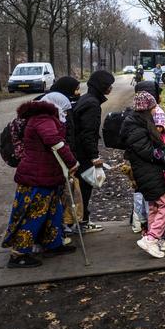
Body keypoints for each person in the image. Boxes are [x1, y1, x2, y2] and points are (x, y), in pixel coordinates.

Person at [2, 95, 79, 268]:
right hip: (37, 177)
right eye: (64, 109)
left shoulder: (39, 118)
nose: (66, 113)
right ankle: (19, 254)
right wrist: (72, 162)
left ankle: (52, 244)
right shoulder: (44, 120)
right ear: (57, 106)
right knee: (33, 214)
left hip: (46, 175)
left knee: (53, 212)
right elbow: (55, 141)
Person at [122, 91, 165, 258]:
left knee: (155, 205)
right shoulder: (136, 127)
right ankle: (151, 238)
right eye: (154, 107)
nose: (156, 110)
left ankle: (156, 237)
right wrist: (164, 156)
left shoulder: (141, 123)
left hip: (149, 171)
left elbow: (156, 144)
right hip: (147, 172)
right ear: (146, 109)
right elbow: (147, 151)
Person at [72, 70, 114, 233]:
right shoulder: (92, 104)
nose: (110, 89)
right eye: (109, 85)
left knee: (82, 187)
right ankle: (82, 223)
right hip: (83, 155)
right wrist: (93, 156)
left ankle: (80, 220)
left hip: (78, 152)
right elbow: (87, 133)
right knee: (85, 187)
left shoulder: (86, 99)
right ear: (101, 86)